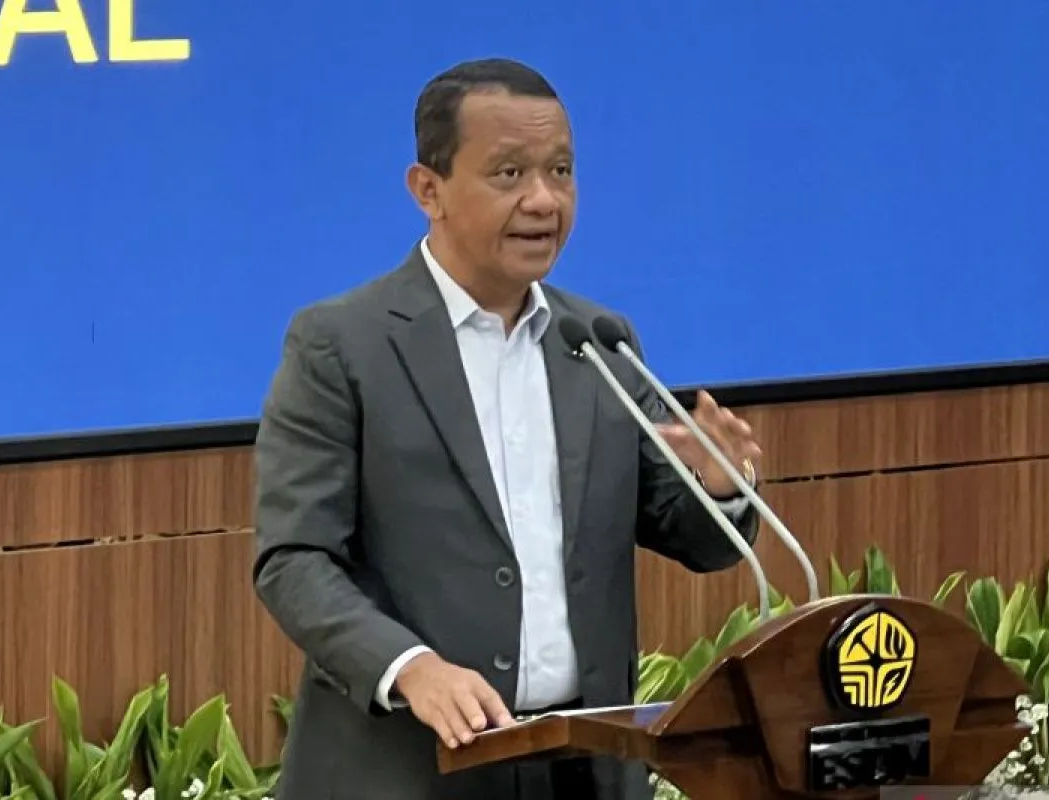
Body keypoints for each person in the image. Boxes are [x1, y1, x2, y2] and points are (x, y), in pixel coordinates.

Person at [253, 57, 765, 800]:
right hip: (411, 767)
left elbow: (698, 541)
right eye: (509, 173)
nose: (543, 200)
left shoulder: (599, 342)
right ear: (428, 190)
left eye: (561, 170)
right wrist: (412, 669)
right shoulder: (343, 345)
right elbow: (294, 559)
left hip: (584, 765)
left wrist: (717, 489)